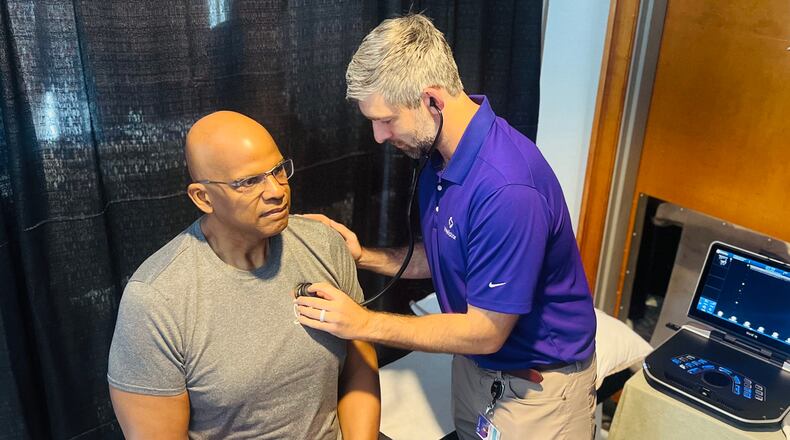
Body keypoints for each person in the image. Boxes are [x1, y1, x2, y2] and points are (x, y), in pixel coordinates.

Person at [295, 14, 597, 439]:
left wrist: (361, 323)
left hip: (535, 384)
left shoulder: (507, 188)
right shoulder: (440, 157)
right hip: (477, 368)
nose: (379, 137)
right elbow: (447, 256)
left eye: (386, 120)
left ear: (432, 101)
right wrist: (365, 256)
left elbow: (486, 331)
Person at [107, 111, 380, 439]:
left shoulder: (323, 245)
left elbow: (360, 358)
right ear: (203, 198)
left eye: (279, 170)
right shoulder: (156, 300)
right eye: (249, 182)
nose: (277, 191)